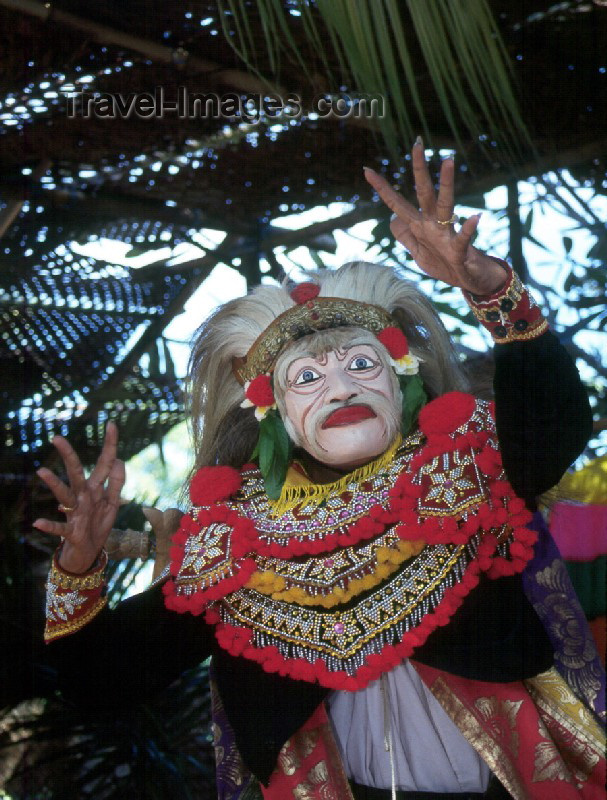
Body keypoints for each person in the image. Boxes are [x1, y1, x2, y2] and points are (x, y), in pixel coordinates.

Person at [36, 140, 605, 799]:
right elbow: (105, 682)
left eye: (360, 365)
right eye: (306, 378)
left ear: (400, 379)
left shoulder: (467, 465)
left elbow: (554, 421)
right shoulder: (232, 542)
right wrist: (77, 572)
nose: (339, 389)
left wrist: (490, 290)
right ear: (273, 412)